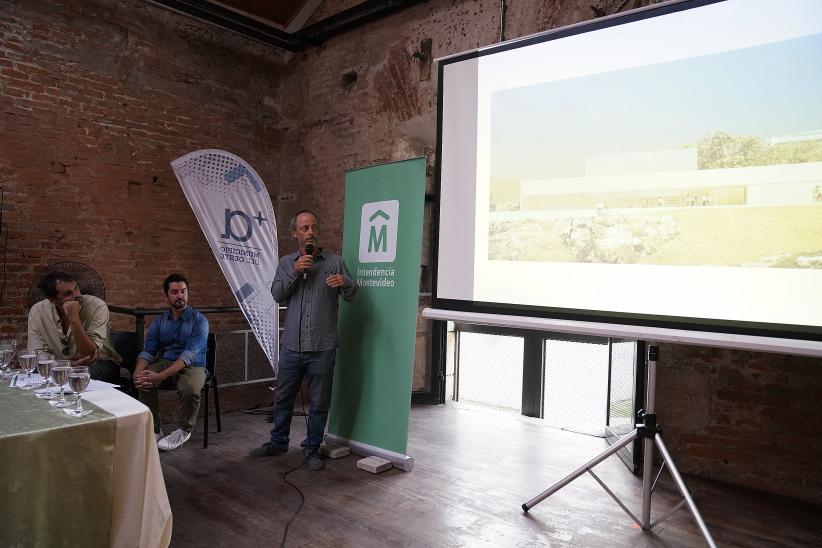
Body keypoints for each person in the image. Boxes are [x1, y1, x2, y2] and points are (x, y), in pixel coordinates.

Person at [250, 209, 358, 470]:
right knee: (283, 397)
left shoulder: (334, 263)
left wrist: (345, 282)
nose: (310, 232)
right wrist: (296, 272)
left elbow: (353, 295)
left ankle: (311, 449)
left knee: (319, 403)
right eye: (305, 228)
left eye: (313, 227)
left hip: (322, 346)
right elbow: (276, 294)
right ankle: (278, 442)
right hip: (291, 347)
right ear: (295, 234)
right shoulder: (287, 263)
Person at [133, 273, 209, 452]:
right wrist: (138, 372)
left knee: (190, 388)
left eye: (183, 291)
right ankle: (154, 429)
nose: (180, 296)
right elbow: (148, 352)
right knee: (144, 380)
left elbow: (188, 356)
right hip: (166, 361)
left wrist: (159, 377)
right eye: (174, 292)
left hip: (194, 365)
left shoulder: (199, 321)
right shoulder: (160, 321)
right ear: (167, 295)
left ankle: (184, 430)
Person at [27, 271, 123, 384]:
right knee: (38, 373)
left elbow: (89, 355)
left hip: (100, 364)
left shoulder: (97, 306)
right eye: (68, 293)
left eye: (76, 288)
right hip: (62, 365)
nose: (76, 295)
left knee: (81, 373)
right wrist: (67, 365)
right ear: (52, 299)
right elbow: (38, 357)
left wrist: (74, 318)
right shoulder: (38, 311)